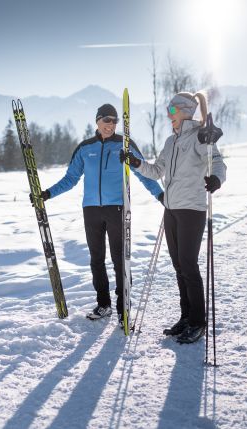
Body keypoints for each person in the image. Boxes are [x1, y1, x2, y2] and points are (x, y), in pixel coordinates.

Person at [31, 103, 163, 325]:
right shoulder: (85, 148)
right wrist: (47, 194)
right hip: (91, 210)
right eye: (106, 120)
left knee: (120, 259)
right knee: (96, 260)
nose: (110, 125)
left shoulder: (125, 145)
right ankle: (104, 305)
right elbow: (71, 179)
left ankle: (124, 308)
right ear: (98, 121)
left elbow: (144, 175)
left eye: (114, 121)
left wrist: (160, 196)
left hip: (117, 208)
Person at [120, 92, 227, 343]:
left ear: (185, 111)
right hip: (171, 209)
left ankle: (198, 322)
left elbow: (218, 162)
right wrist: (136, 163)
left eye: (172, 111)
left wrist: (216, 180)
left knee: (189, 264)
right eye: (168, 112)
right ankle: (186, 317)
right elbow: (157, 171)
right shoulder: (170, 141)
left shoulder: (201, 137)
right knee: (179, 265)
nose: (169, 117)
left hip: (192, 209)